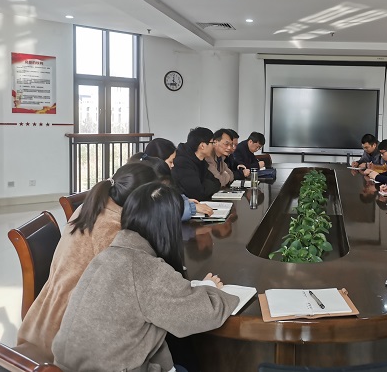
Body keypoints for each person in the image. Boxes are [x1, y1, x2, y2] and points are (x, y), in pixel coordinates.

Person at [52, 182, 239, 372]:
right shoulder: (143, 267)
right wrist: (210, 288)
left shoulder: (108, 255)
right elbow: (202, 314)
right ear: (168, 227)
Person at [15, 163, 157, 363]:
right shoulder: (113, 228)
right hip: (68, 331)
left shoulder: (92, 207)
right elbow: (130, 287)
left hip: (45, 315)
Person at [128, 152, 214, 219]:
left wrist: (184, 201)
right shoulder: (140, 203)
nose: (173, 165)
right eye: (170, 161)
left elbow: (170, 197)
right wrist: (191, 207)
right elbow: (165, 212)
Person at [172, 127, 221, 201]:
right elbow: (198, 194)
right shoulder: (183, 163)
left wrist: (204, 185)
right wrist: (206, 184)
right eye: (212, 143)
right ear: (202, 146)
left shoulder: (201, 161)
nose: (213, 146)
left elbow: (217, 182)